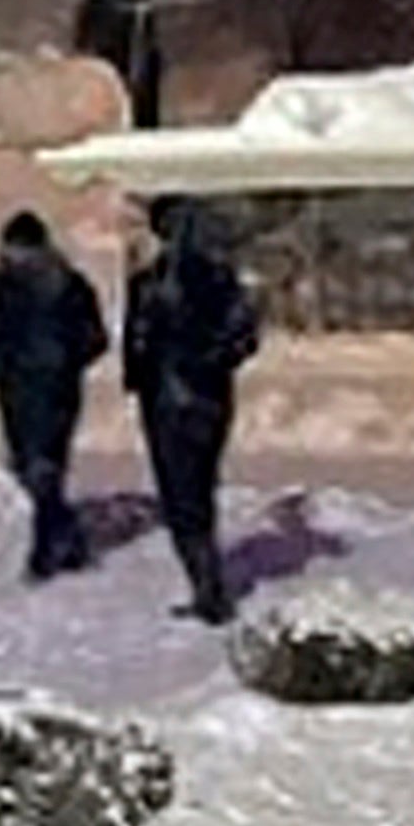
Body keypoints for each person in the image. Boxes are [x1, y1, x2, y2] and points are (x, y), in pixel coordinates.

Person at [125, 198, 266, 621]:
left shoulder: (149, 282)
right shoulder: (222, 282)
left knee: (182, 497)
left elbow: (137, 344)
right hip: (209, 397)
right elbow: (245, 339)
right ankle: (207, 585)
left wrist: (148, 371)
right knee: (199, 490)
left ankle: (208, 591)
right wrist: (211, 361)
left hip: (168, 399)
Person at [0, 211, 108, 582]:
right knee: (33, 468)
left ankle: (44, 553)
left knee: (42, 468)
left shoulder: (64, 285)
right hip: (24, 389)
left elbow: (95, 338)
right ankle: (69, 538)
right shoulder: (4, 284)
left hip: (48, 389)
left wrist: (62, 362)